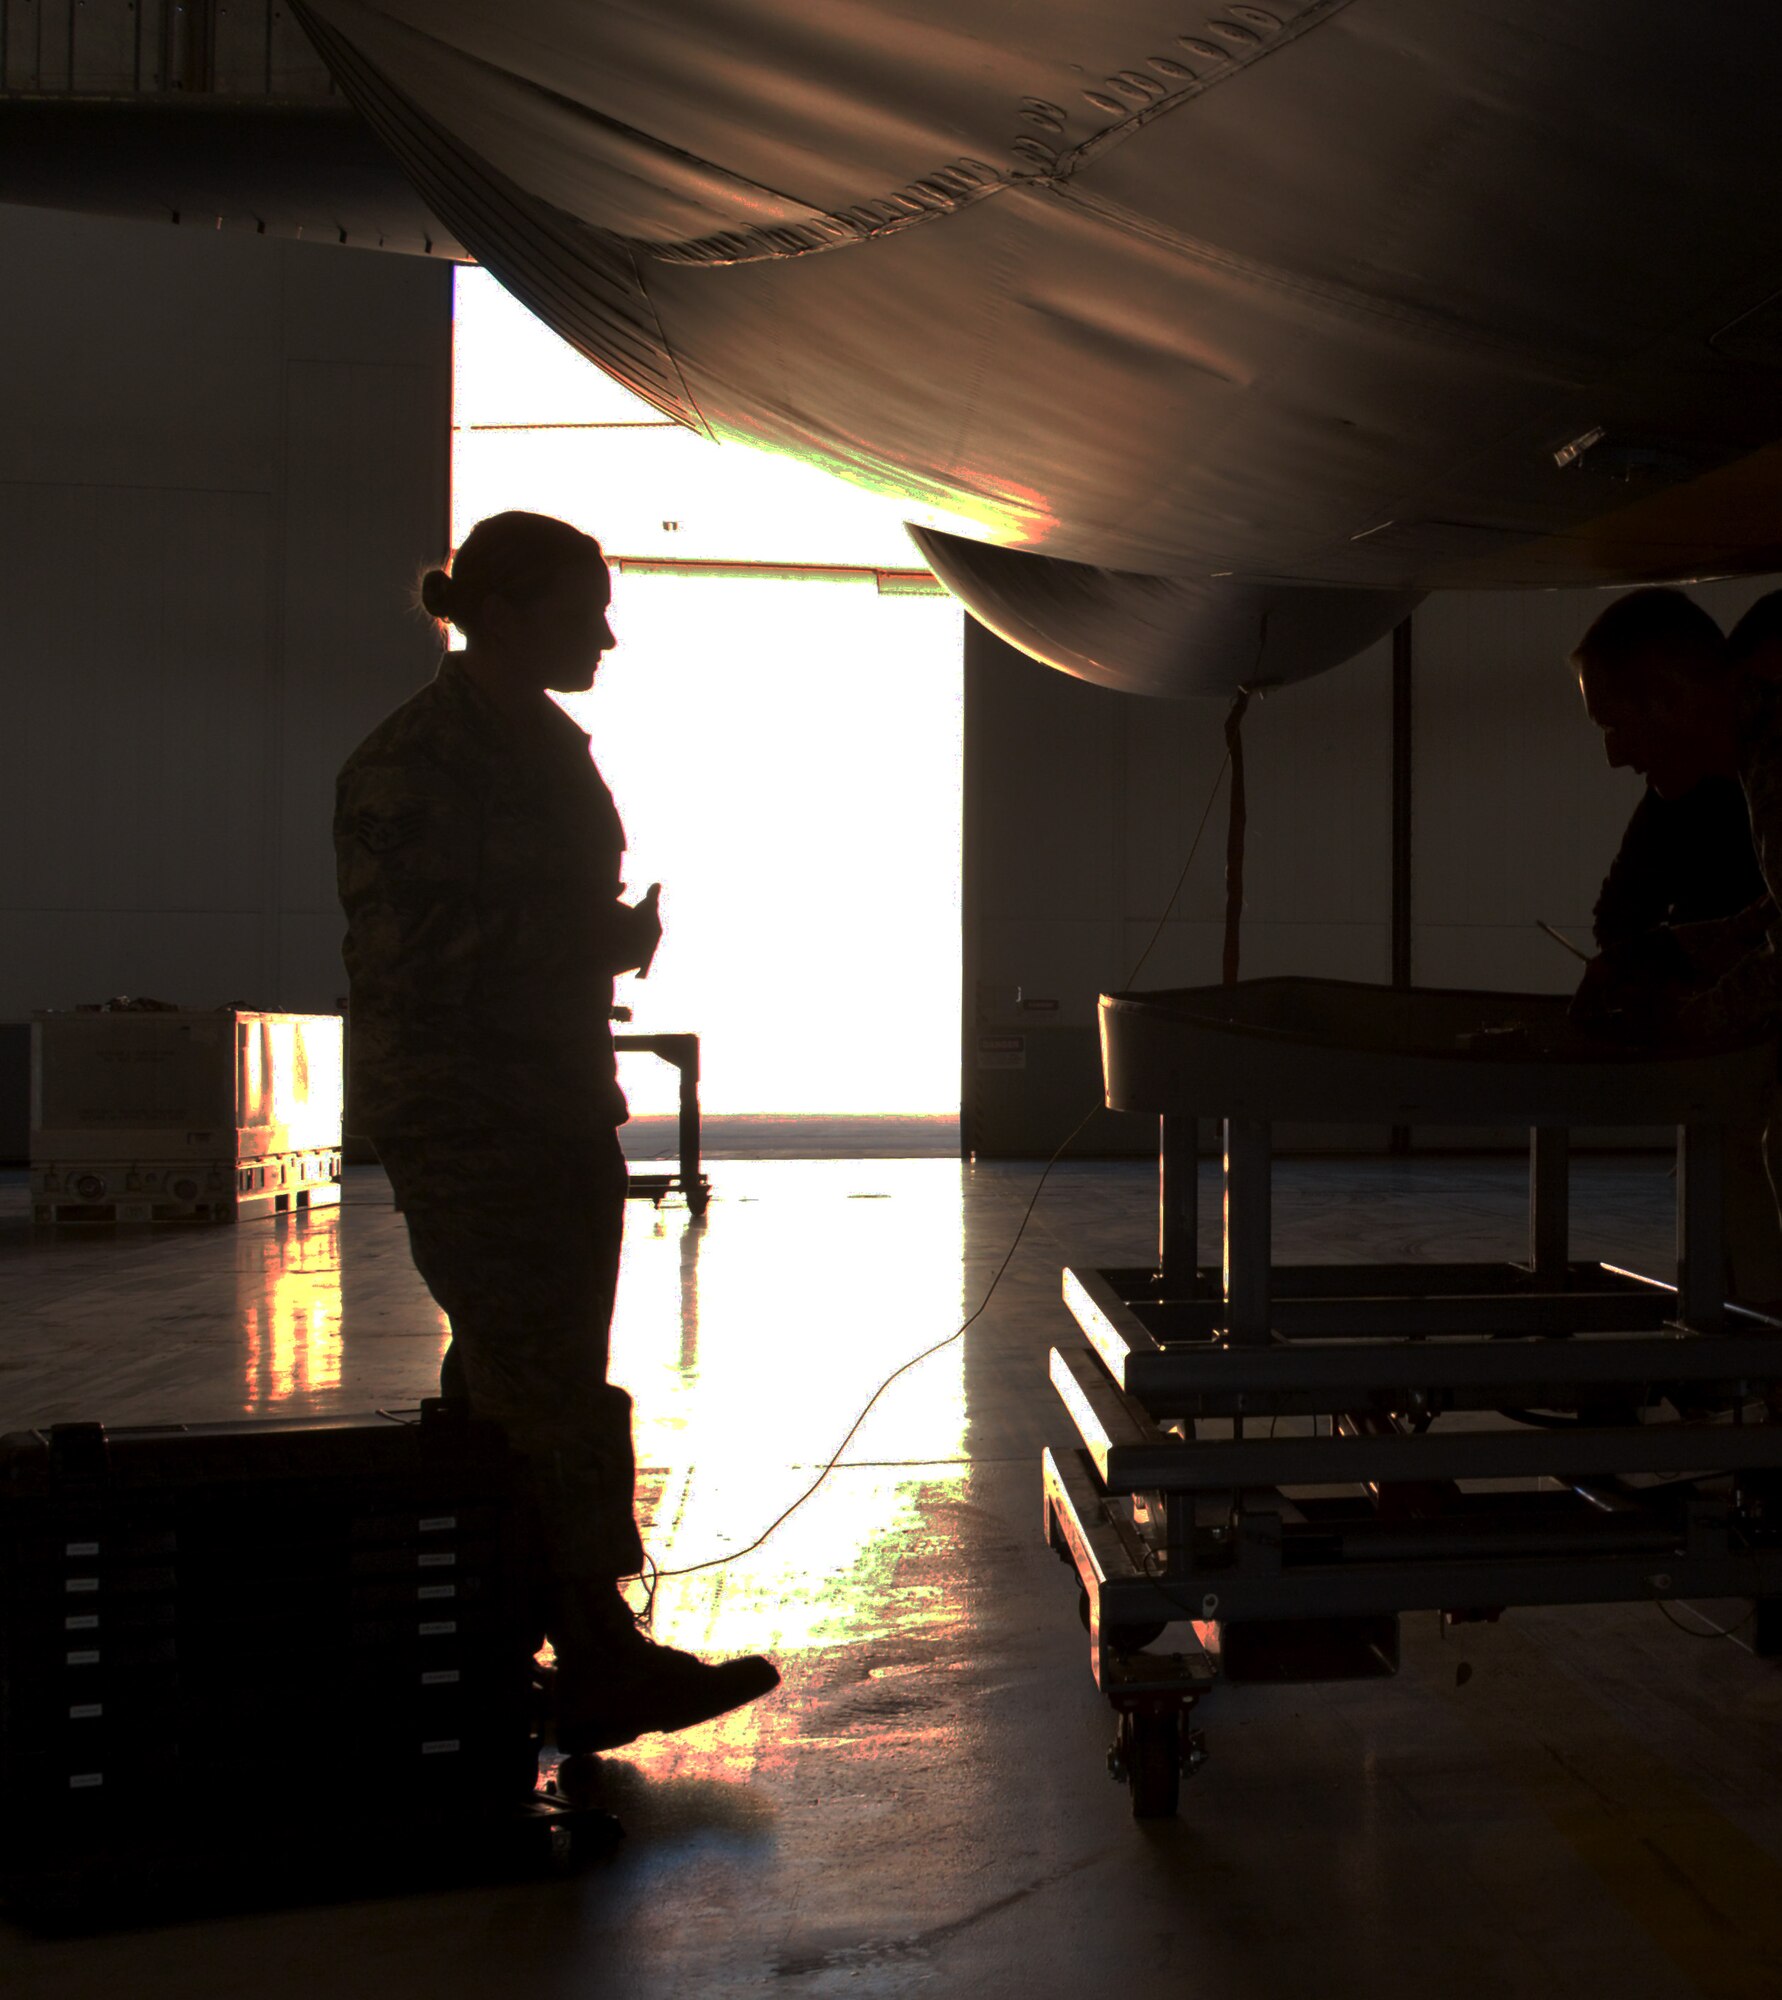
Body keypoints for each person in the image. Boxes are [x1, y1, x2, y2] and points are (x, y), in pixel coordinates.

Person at [334, 509, 778, 1774]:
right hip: (469, 1115)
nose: (607, 633)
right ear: (509, 610)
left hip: (552, 1100)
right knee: (545, 1388)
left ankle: (492, 1629)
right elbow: (404, 956)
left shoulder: (538, 746)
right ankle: (593, 1646)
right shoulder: (410, 764)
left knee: (510, 1384)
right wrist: (588, 942)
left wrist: (600, 938)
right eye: (585, 609)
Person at [1571, 585, 1782, 1306]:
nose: (1614, 756)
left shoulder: (1775, 752)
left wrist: (1686, 1022)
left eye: (1614, 723)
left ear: (1669, 694)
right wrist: (1688, 948)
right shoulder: (1757, 741)